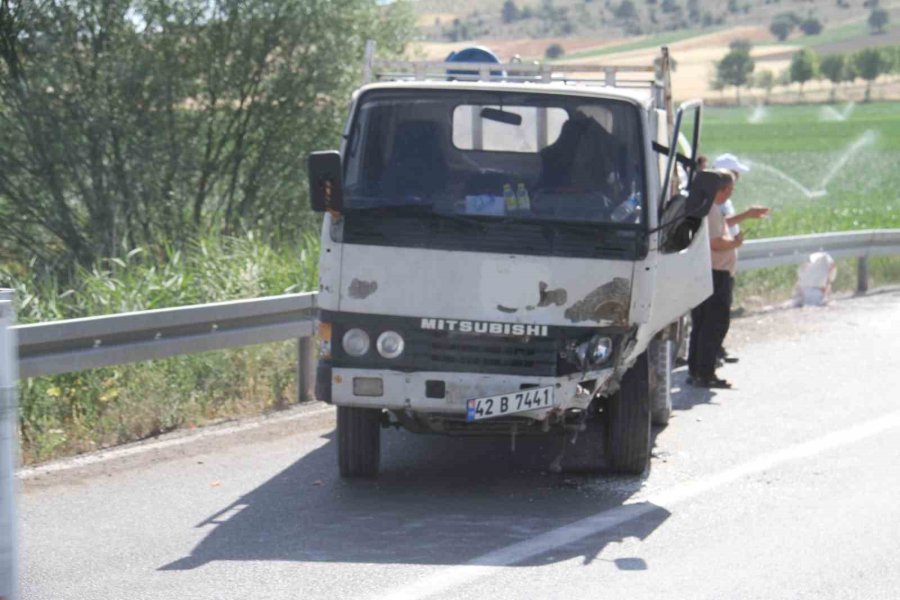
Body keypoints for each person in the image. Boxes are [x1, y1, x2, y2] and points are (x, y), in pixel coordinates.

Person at [711, 153, 769, 365]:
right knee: (715, 313)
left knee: (721, 312)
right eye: (735, 174)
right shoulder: (717, 201)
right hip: (717, 262)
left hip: (724, 259)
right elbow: (722, 223)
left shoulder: (724, 199)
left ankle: (716, 349)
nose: (738, 179)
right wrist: (747, 215)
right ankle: (711, 354)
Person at [687, 169, 740, 389]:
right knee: (714, 323)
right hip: (715, 274)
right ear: (723, 189)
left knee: (701, 323)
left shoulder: (701, 207)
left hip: (703, 272)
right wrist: (735, 243)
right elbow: (716, 243)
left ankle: (696, 369)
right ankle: (705, 372)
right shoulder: (713, 211)